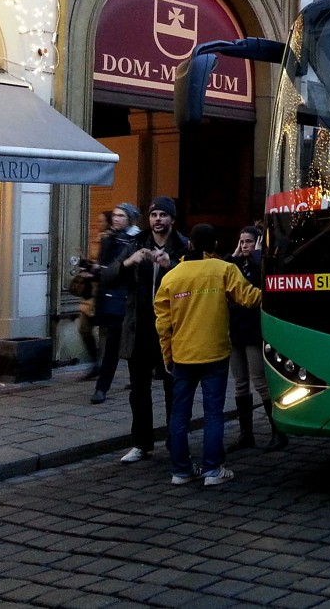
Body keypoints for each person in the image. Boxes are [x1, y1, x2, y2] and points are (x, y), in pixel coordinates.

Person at [155, 223, 261, 487]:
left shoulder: (172, 276)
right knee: (213, 412)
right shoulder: (223, 269)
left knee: (179, 414)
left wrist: (167, 355)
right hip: (214, 352)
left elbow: (162, 323)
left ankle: (180, 470)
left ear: (189, 244)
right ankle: (212, 469)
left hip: (182, 354)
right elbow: (249, 298)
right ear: (214, 245)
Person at [103, 196, 189, 464]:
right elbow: (109, 275)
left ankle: (175, 442)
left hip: (171, 329)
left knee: (173, 388)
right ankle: (141, 443)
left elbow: (195, 281)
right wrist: (129, 262)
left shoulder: (183, 246)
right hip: (139, 326)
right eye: (154, 215)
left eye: (163, 215)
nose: (158, 220)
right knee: (138, 389)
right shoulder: (137, 243)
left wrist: (171, 267)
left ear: (172, 220)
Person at [226, 226, 287, 452]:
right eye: (241, 242)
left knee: (260, 381)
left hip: (252, 331)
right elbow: (223, 269)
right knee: (240, 383)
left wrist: (257, 255)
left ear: (258, 243)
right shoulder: (235, 264)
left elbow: (265, 281)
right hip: (235, 331)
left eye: (249, 242)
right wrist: (234, 256)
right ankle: (246, 434)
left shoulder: (260, 263)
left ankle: (278, 431)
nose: (244, 246)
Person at [89, 203, 142, 404]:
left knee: (126, 343)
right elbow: (106, 268)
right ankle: (103, 387)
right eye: (115, 215)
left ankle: (110, 386)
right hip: (109, 297)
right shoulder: (109, 238)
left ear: (130, 219)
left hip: (128, 299)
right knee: (112, 344)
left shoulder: (136, 240)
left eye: (121, 215)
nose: (116, 218)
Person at [76, 210, 111, 382]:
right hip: (91, 293)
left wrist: (95, 272)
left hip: (105, 293)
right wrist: (86, 266)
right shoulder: (97, 239)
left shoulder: (111, 240)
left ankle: (103, 367)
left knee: (107, 334)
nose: (98, 223)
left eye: (101, 220)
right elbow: (95, 262)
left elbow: (110, 267)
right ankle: (96, 361)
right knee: (84, 328)